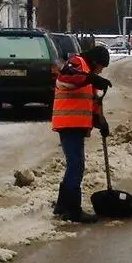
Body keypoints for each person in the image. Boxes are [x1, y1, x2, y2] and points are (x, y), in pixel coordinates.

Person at [52, 45, 113, 223]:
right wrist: (92, 78)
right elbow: (65, 79)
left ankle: (62, 206)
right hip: (68, 122)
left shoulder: (87, 72)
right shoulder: (76, 62)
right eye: (101, 66)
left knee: (75, 165)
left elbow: (92, 101)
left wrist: (101, 121)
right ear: (95, 61)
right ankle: (72, 210)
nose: (101, 70)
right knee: (76, 165)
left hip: (76, 124)